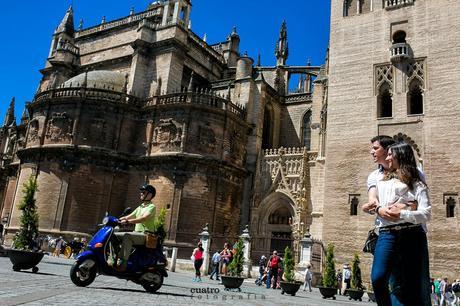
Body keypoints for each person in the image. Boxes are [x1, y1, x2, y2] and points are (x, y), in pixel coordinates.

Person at [366, 142, 432, 306]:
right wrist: (375, 207)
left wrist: (403, 211)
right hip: (387, 233)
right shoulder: (381, 181)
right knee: (378, 277)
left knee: (408, 285)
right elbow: (376, 203)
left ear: (400, 157)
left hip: (412, 233)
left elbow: (426, 213)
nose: (387, 158)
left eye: (390, 155)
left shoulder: (417, 183)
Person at [115, 184, 157, 271]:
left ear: (150, 195)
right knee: (114, 235)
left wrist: (127, 222)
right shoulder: (141, 206)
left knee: (127, 236)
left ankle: (123, 263)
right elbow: (129, 216)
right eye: (141, 192)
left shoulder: (151, 207)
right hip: (137, 233)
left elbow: (143, 218)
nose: (141, 193)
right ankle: (113, 257)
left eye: (143, 192)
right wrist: (116, 220)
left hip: (146, 235)